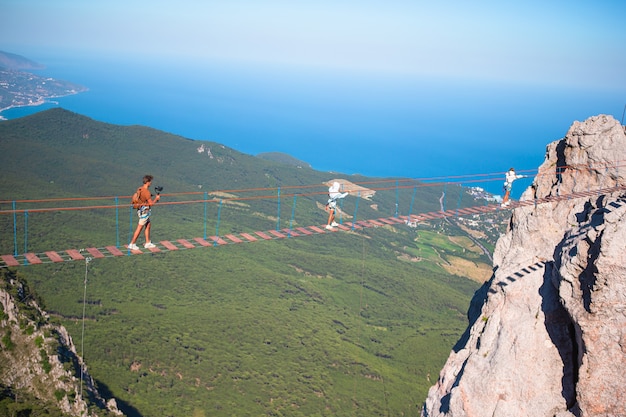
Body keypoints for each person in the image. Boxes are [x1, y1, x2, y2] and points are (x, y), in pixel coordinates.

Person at [128, 175, 161, 250]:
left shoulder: (140, 189)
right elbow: (151, 204)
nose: (151, 183)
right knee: (139, 227)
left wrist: (150, 196)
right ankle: (132, 243)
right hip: (144, 211)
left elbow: (143, 197)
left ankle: (147, 242)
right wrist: (156, 198)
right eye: (150, 182)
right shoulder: (146, 192)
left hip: (140, 210)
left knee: (148, 224)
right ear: (148, 182)